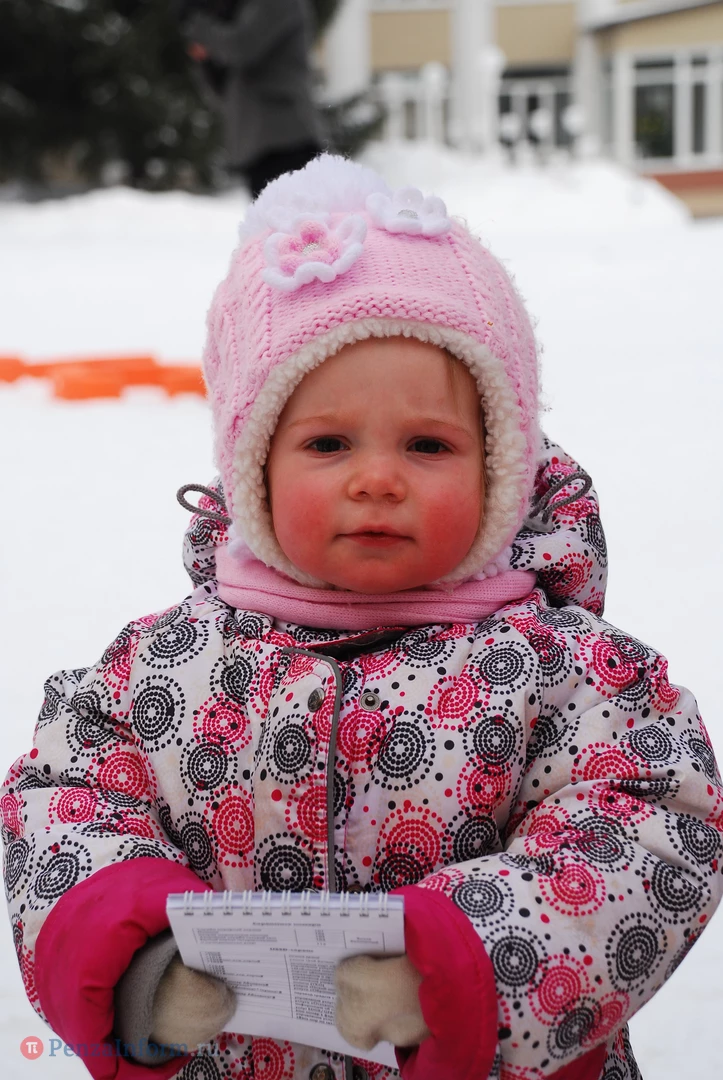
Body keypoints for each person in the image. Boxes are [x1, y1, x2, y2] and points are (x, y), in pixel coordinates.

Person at [3, 155, 722, 1080]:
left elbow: (648, 832)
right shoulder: (159, 670)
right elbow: (64, 807)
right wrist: (136, 960)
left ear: (501, 468)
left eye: (427, 444)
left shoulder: (571, 677)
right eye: (327, 442)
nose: (376, 478)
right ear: (253, 467)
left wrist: (457, 967)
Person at [179, 0, 327, 198]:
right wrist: (206, 58)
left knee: (294, 215)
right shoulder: (244, 9)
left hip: (286, 140)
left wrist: (199, 26)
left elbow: (242, 47)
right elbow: (223, 92)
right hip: (255, 147)